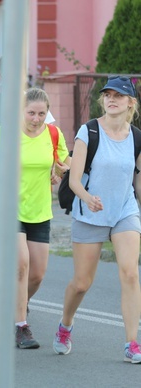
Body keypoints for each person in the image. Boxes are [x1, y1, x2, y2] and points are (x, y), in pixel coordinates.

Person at [53, 76, 141, 363]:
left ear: (130, 102)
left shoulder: (136, 136)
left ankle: (132, 342)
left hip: (124, 210)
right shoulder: (89, 131)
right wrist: (88, 198)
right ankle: (66, 324)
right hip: (90, 211)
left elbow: (137, 182)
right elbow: (75, 179)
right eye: (107, 95)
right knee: (82, 282)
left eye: (119, 95)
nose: (111, 99)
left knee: (130, 273)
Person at [0, 88, 69, 348]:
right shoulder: (6, 133)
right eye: (31, 113)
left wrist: (59, 172)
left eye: (41, 114)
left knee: (37, 274)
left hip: (39, 209)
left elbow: (63, 162)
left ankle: (14, 307)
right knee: (21, 264)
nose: (36, 119)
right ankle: (21, 326)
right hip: (8, 208)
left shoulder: (53, 134)